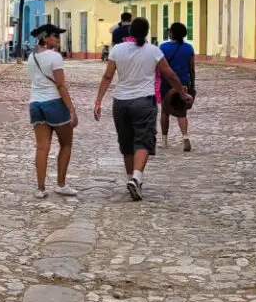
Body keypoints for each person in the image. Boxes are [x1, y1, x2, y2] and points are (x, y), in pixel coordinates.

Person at [94, 17, 192, 201]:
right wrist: (182, 93)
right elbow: (169, 74)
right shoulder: (153, 51)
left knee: (127, 144)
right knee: (144, 140)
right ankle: (137, 177)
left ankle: (132, 179)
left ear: (130, 33)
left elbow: (107, 76)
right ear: (146, 32)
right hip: (144, 102)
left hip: (120, 102)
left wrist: (98, 101)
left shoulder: (117, 50)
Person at [26, 24, 79, 199]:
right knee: (66, 144)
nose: (58, 39)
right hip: (54, 103)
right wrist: (71, 109)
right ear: (46, 37)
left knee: (42, 147)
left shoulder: (31, 57)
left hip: (35, 104)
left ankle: (40, 188)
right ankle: (61, 184)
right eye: (55, 36)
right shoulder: (55, 57)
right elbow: (61, 84)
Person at [159, 22, 196, 151]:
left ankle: (164, 140)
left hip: (167, 83)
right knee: (181, 112)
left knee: (165, 111)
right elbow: (192, 68)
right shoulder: (189, 48)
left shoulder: (163, 47)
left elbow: (159, 66)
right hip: (184, 82)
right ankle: (185, 137)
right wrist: (192, 85)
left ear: (172, 33)